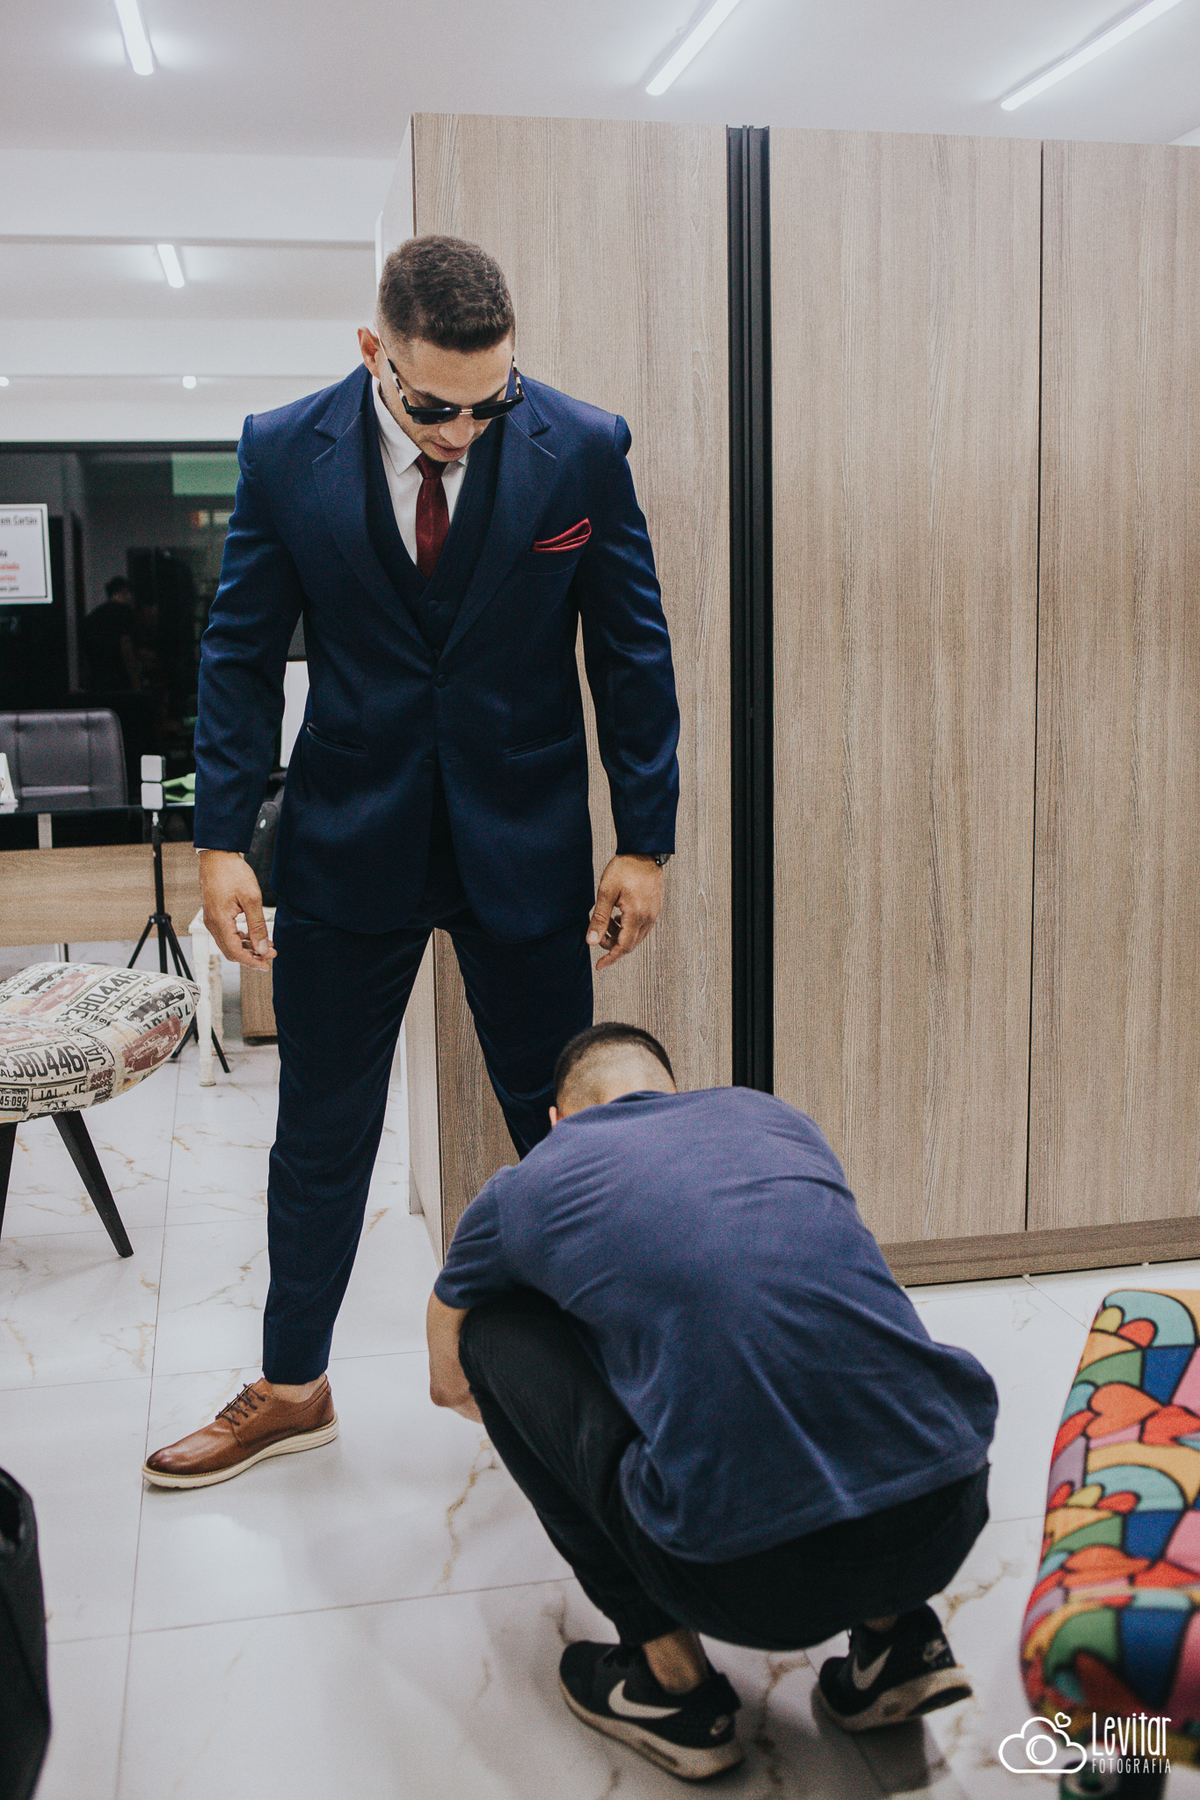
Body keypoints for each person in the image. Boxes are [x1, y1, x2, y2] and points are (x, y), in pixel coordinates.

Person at [142, 236, 680, 1489]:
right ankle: (293, 1385)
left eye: (492, 402)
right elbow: (238, 652)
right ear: (373, 353)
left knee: (566, 1126)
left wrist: (643, 841)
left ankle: (624, 1368)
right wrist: (221, 841)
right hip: (348, 839)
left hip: (525, 839)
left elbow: (632, 652)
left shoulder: (581, 446)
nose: (465, 432)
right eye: (437, 408)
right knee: (322, 1129)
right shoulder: (283, 450)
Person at [426, 1024, 998, 1781]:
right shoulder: (771, 1118)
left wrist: (547, 1411)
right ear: (675, 1091)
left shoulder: (528, 1183)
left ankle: (673, 1691)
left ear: (559, 1122)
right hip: (946, 1508)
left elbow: (447, 1359)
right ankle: (899, 1642)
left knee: (493, 1330)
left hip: (744, 1581)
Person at [83, 576, 140, 690]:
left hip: (98, 679)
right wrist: (135, 678)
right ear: (125, 592)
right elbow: (126, 646)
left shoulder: (93, 616)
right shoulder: (125, 612)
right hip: (120, 677)